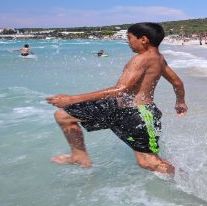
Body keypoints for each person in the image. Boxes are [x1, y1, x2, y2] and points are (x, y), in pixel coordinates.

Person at [46, 22, 188, 174]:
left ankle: (186, 178)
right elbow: (177, 83)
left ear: (144, 40)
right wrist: (180, 102)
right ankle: (78, 155)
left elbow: (120, 90)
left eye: (129, 38)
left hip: (139, 114)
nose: (127, 41)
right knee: (64, 115)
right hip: (119, 108)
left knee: (148, 162)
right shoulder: (158, 59)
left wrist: (72, 99)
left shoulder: (141, 59)